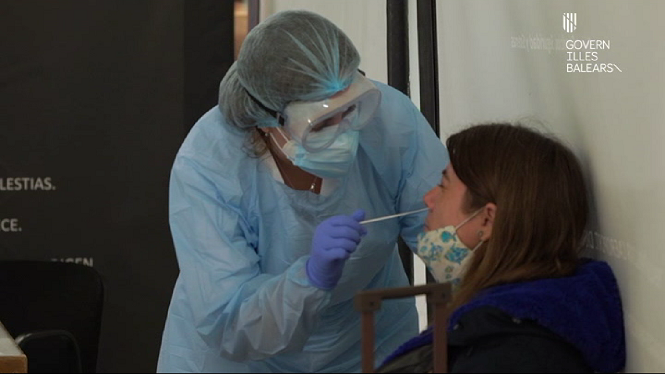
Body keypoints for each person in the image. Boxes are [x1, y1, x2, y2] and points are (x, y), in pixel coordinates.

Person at [156, 10, 448, 373]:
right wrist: (308, 280)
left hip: (370, 342)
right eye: (323, 122)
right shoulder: (210, 164)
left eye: (352, 107)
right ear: (267, 122)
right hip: (245, 357)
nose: (346, 131)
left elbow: (444, 229)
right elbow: (232, 320)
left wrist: (493, 284)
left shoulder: (389, 122)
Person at [377, 124, 626, 373]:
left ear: (487, 220)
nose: (428, 198)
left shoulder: (511, 355)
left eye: (443, 185)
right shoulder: (504, 326)